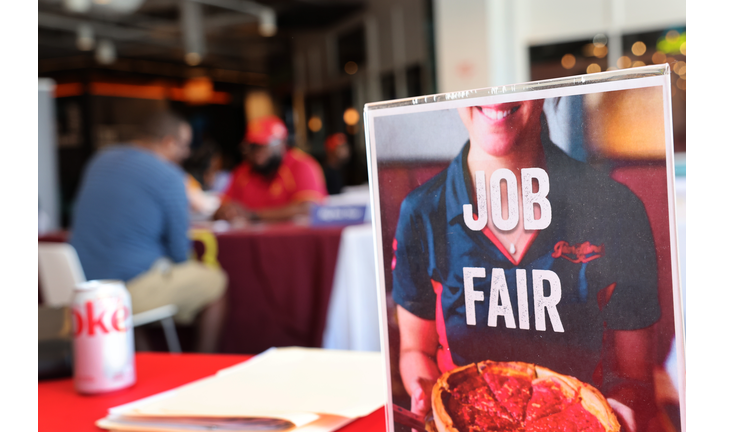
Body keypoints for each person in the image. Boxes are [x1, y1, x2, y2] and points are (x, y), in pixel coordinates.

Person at [392, 100, 660, 432]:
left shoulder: (617, 208)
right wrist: (425, 392)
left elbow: (634, 378)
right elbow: (414, 349)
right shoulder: (421, 211)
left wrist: (625, 407)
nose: (496, 94)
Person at [69, 111, 228, 353]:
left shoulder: (99, 160)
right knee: (215, 282)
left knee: (139, 278)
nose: (186, 154)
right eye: (184, 146)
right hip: (124, 294)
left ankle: (141, 361)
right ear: (168, 143)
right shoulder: (170, 177)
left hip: (80, 288)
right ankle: (204, 369)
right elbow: (179, 253)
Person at [213, 115, 327, 222]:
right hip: (249, 240)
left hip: (294, 239)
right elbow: (222, 207)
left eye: (263, 145)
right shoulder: (243, 171)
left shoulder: (302, 165)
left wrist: (253, 215)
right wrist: (225, 213)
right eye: (252, 146)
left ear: (282, 143)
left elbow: (309, 208)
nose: (257, 152)